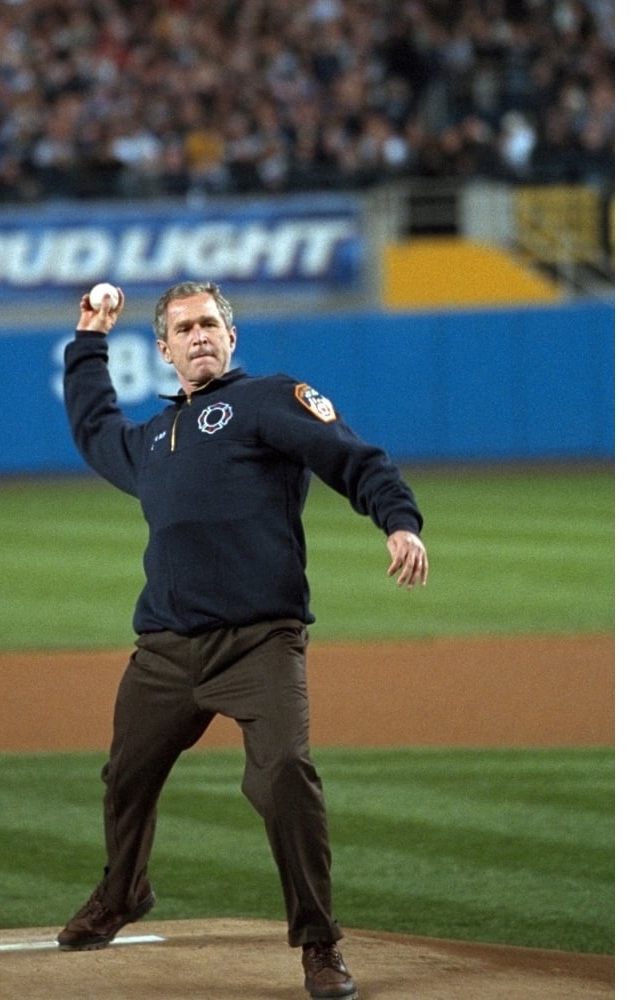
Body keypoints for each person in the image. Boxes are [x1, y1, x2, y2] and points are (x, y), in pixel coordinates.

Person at [56, 280, 428, 1000]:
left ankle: (318, 942)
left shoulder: (265, 401)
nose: (199, 336)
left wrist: (399, 520)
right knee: (126, 779)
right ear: (162, 349)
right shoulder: (154, 440)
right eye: (183, 328)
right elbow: (96, 428)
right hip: (165, 651)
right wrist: (90, 342)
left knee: (285, 773)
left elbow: (354, 457)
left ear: (231, 337)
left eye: (210, 325)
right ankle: (122, 892)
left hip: (259, 642)